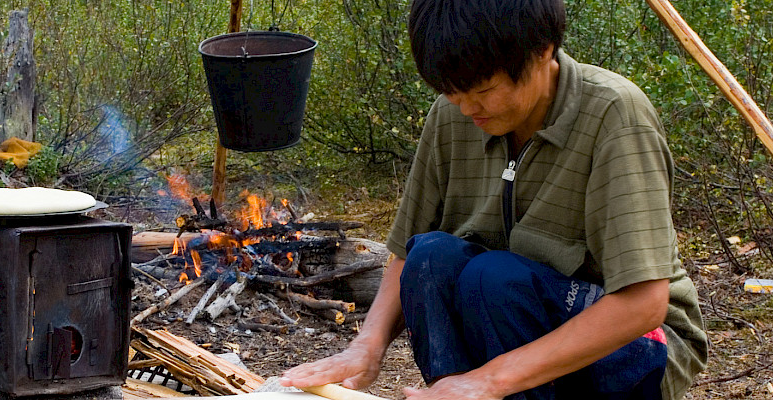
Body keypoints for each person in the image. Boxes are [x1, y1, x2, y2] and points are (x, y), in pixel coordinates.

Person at [280, 0, 707, 399]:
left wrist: (490, 380)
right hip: (511, 323)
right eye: (452, 92)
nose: (467, 109)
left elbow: (643, 305)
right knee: (431, 255)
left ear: (542, 51)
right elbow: (408, 256)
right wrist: (367, 347)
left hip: (636, 346)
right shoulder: (451, 116)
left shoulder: (614, 114)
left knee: (494, 278)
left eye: (483, 90)